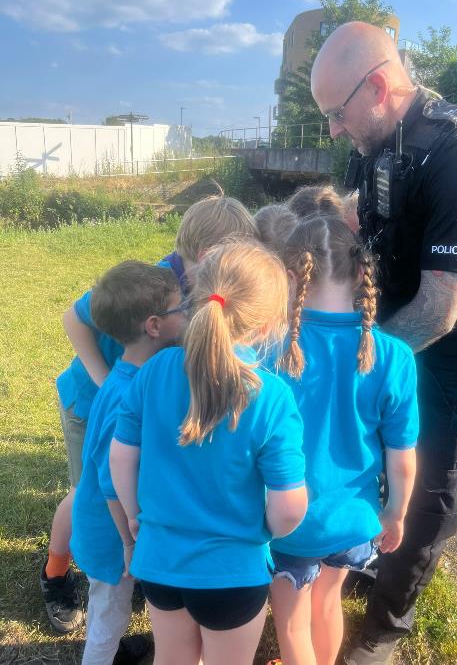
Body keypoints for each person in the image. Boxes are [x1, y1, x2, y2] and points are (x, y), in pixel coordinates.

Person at [310, 21, 457, 664]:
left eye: (335, 113)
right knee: (380, 454)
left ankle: (384, 627)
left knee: (435, 486)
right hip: (396, 329)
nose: (333, 131)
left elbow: (438, 309)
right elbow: (361, 209)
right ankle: (372, 555)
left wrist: (350, 367)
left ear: (377, 86)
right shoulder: (379, 137)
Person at [40, 194, 258, 633]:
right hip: (93, 403)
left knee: (122, 488)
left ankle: (128, 559)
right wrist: (108, 384)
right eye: (231, 258)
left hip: (134, 407)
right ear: (206, 255)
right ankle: (55, 572)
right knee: (87, 492)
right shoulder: (151, 286)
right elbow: (73, 318)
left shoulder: (203, 292)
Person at [110, 241, 309, 665]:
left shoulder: (154, 371)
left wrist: (132, 514)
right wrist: (267, 530)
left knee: (171, 659)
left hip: (160, 562)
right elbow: (289, 509)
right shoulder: (272, 397)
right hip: (233, 573)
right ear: (270, 324)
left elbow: (121, 457)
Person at [267, 216, 418, 665]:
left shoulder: (268, 348)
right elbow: (403, 457)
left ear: (290, 277)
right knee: (327, 602)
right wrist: (395, 514)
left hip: (287, 522)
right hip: (353, 522)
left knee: (291, 622)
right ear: (359, 272)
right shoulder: (395, 355)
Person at [70, 261, 187, 665]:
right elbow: (108, 481)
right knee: (108, 618)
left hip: (110, 530)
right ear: (154, 326)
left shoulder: (133, 375)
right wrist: (128, 543)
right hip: (109, 536)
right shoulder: (128, 394)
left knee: (112, 611)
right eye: (181, 307)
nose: (187, 312)